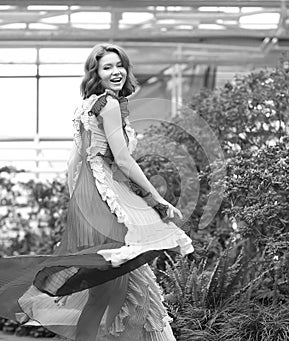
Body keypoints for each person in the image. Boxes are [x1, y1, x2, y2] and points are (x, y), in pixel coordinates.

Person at [0, 43, 193, 340]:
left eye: (120, 65)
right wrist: (157, 198)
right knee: (120, 287)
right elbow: (124, 160)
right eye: (107, 67)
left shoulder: (85, 106)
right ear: (96, 73)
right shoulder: (109, 105)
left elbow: (74, 161)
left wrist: (79, 204)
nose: (116, 72)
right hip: (107, 200)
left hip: (89, 201)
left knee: (105, 293)